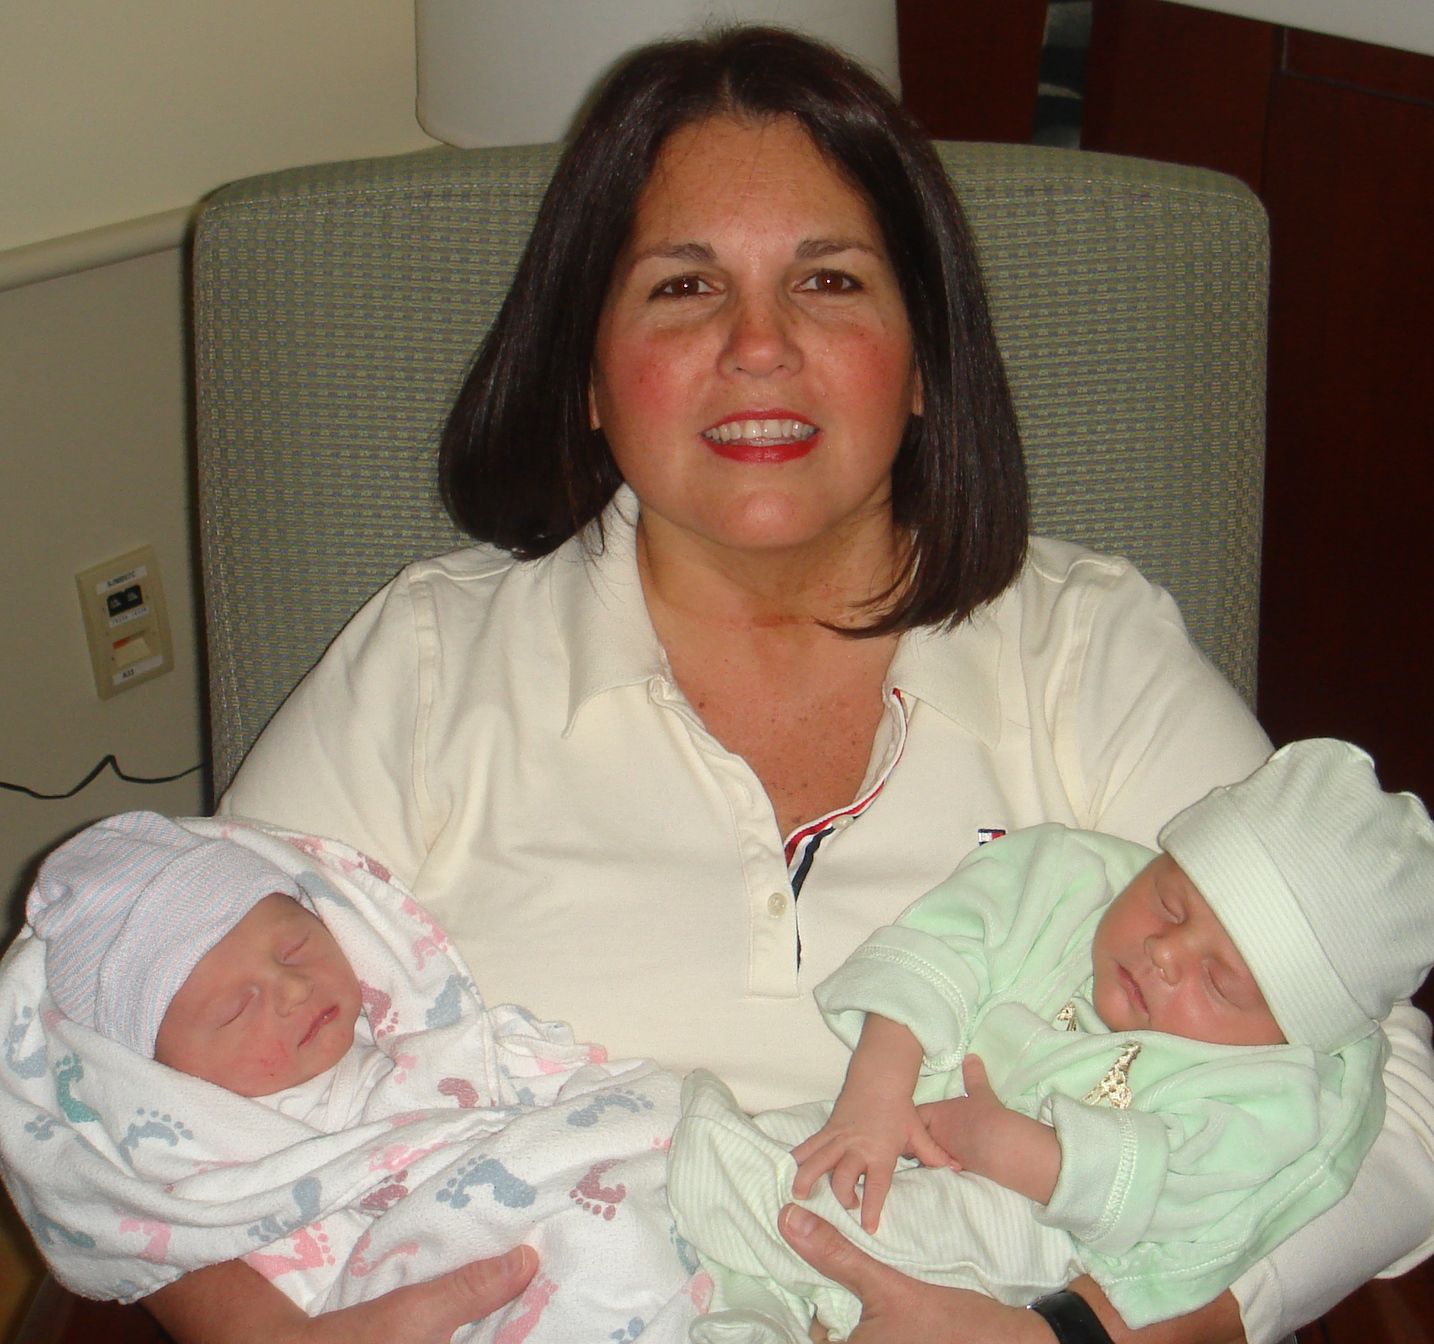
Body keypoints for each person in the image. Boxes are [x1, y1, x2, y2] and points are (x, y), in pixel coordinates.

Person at [147, 24, 1434, 1344]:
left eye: (827, 282)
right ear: (588, 377)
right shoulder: (429, 671)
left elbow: (1393, 1104)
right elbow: (114, 1048)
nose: (757, 344)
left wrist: (1081, 1336)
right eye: (681, 289)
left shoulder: (1081, 650)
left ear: (924, 359)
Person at [667, 739, 1434, 1340]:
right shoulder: (1069, 880)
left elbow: (1190, 1186)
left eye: (1221, 982)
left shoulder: (1271, 1090)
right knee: (756, 1159)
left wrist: (1017, 1151)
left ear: (1287, 1033)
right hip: (892, 1132)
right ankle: (753, 1313)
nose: (1167, 954)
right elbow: (941, 952)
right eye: (1170, 902)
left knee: (765, 1186)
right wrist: (876, 1090)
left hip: (1034, 1241)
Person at [0, 811, 699, 1341]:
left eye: (296, 946)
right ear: (160, 1079)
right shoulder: (223, 1184)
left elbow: (582, 1096)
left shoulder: (423, 1049)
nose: (293, 990)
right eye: (238, 1007)